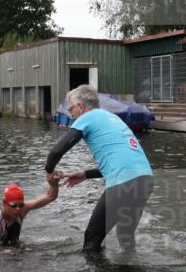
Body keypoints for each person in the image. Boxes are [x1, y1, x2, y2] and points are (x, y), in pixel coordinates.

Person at [45, 84, 153, 253]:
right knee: (125, 234)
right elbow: (123, 162)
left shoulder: (87, 117)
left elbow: (56, 151)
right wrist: (85, 174)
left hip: (123, 183)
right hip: (145, 179)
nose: (70, 113)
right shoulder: (112, 118)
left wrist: (49, 172)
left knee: (92, 239)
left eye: (71, 108)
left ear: (81, 107)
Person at [0, 181, 59, 247]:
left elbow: (51, 196)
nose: (18, 209)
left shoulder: (23, 209)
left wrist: (54, 183)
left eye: (21, 205)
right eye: (13, 205)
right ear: (4, 204)